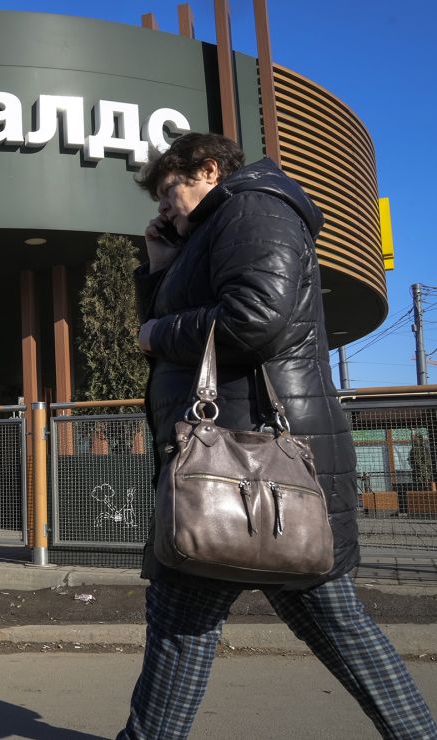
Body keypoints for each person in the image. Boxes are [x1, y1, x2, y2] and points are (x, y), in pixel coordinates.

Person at [119, 132, 436, 739]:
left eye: (169, 191)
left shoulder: (252, 208)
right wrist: (162, 268)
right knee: (323, 626)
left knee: (189, 627)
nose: (162, 207)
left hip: (246, 467)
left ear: (208, 170)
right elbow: (201, 321)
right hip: (244, 466)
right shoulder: (219, 226)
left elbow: (253, 318)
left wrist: (157, 334)